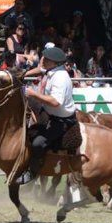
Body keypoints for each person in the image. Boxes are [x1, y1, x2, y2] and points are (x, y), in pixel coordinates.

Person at [16, 47, 76, 185]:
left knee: (38, 143)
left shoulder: (60, 78)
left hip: (61, 120)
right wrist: (24, 74)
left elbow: (55, 102)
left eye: (46, 59)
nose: (42, 60)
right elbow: (39, 70)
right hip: (50, 113)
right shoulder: (52, 70)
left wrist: (33, 94)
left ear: (54, 63)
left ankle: (32, 172)